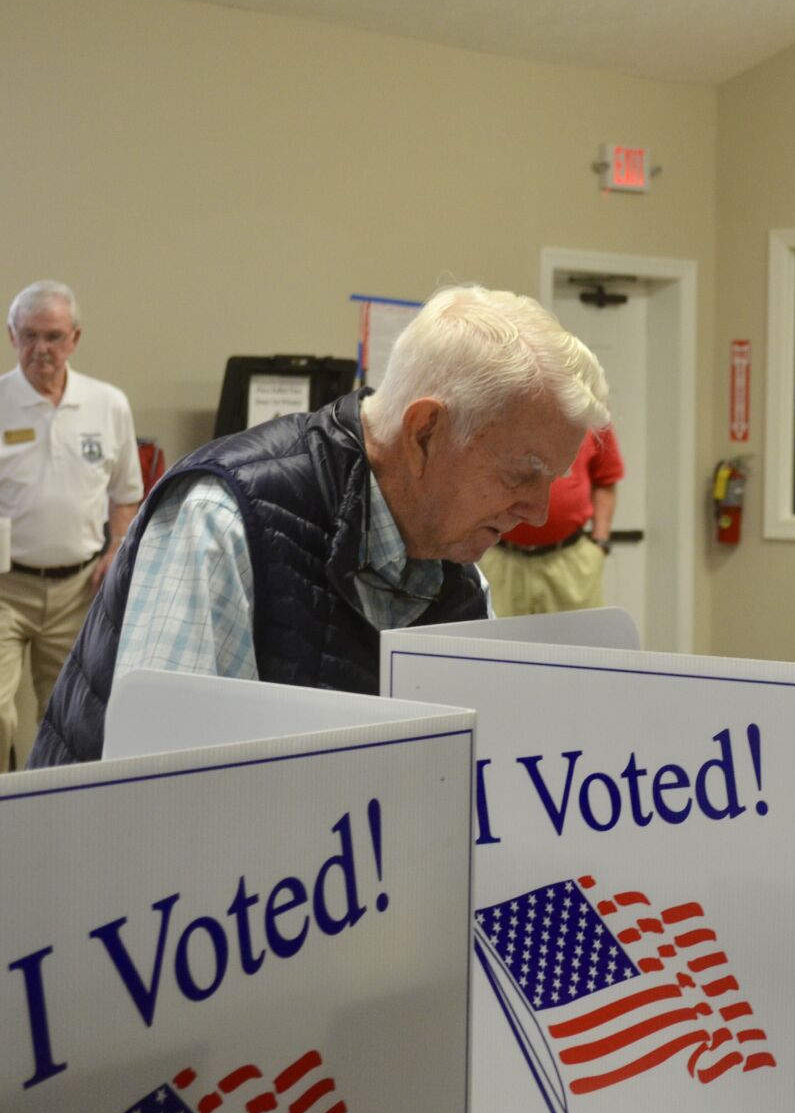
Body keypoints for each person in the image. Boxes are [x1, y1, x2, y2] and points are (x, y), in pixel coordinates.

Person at [29, 284, 608, 768]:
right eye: (521, 474)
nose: (536, 510)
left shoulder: (458, 570)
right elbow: (159, 804)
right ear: (425, 432)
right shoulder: (222, 521)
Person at [1, 281, 143, 769]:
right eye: (30, 335)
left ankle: (46, 823)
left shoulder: (108, 404)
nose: (42, 349)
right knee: (0, 717)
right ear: (11, 336)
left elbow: (126, 494)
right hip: (5, 587)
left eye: (54, 337)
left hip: (79, 589)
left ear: (75, 339)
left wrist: (116, 548)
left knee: (66, 719)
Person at [478, 423, 624, 615]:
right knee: (493, 642)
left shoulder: (591, 415)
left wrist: (600, 543)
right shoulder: (497, 412)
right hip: (501, 558)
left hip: (571, 563)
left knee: (578, 641)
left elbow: (605, 481)